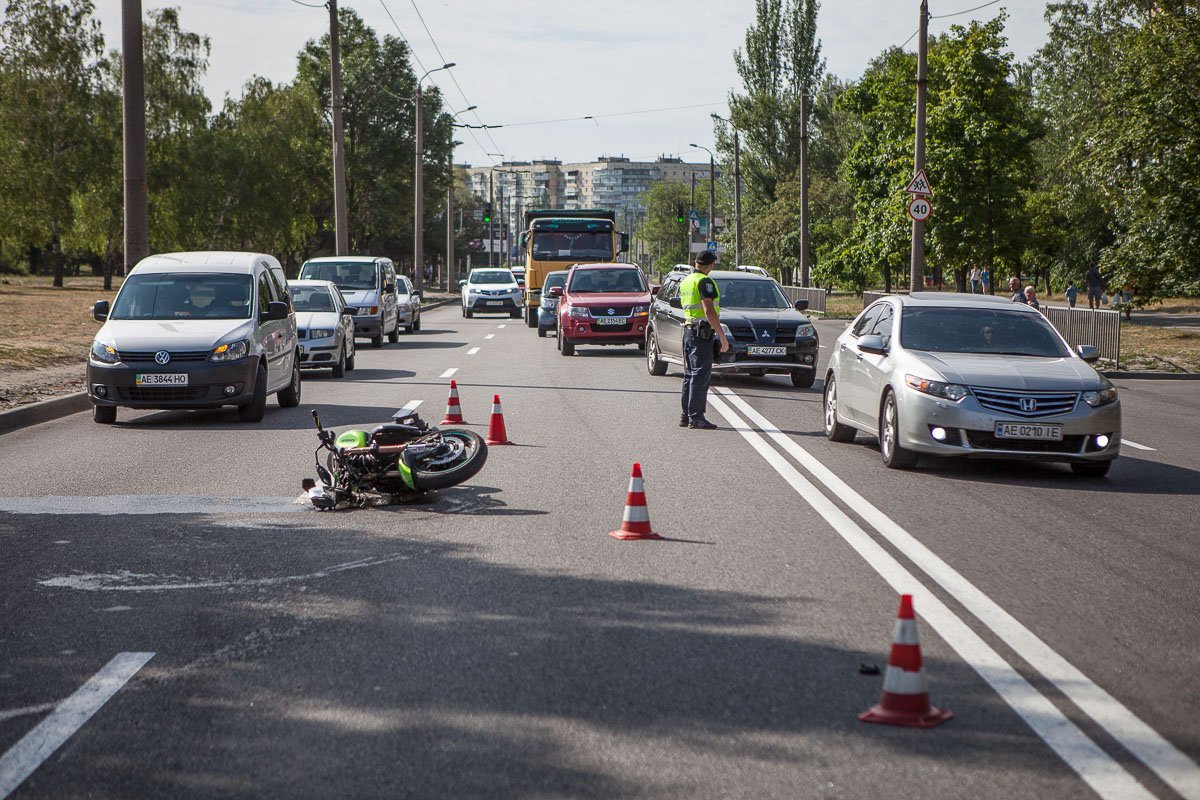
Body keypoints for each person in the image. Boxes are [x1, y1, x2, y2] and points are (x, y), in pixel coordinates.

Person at [678, 251, 730, 430]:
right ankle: (696, 418)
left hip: (689, 331)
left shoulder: (686, 281)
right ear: (711, 264)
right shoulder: (704, 281)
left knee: (690, 375)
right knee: (700, 376)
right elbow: (708, 310)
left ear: (696, 262)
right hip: (701, 333)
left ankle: (686, 415)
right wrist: (722, 335)